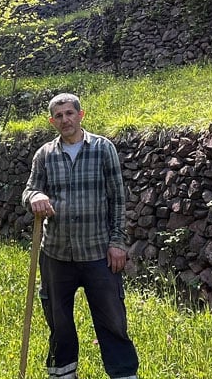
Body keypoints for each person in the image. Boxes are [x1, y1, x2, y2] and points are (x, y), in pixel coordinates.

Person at [22, 93, 139, 379]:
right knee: (58, 321)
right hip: (56, 253)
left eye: (69, 113)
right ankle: (63, 373)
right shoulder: (44, 155)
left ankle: (124, 374)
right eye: (59, 116)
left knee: (112, 320)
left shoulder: (103, 148)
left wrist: (117, 242)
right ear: (52, 121)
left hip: (98, 251)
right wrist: (35, 196)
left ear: (80, 115)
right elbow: (29, 190)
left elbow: (117, 199)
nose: (65, 119)